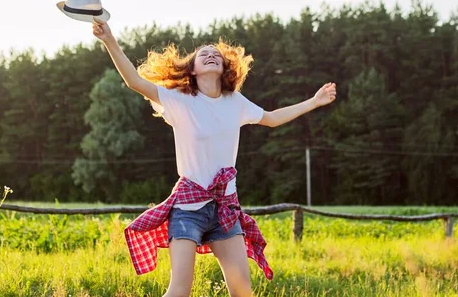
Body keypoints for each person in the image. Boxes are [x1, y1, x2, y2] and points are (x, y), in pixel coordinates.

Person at [91, 18, 337, 297]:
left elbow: (271, 118)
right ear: (192, 70)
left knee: (243, 291)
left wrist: (314, 102)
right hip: (188, 208)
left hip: (225, 209)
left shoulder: (236, 102)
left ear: (224, 68)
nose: (210, 55)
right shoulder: (178, 100)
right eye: (202, 54)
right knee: (179, 290)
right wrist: (109, 40)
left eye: (216, 55)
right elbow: (134, 81)